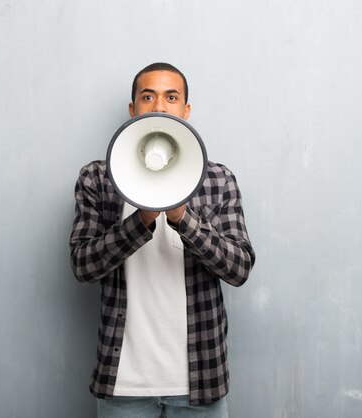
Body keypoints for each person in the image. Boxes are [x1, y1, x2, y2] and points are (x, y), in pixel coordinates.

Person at [69, 62, 255, 417]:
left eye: (171, 97)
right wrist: (141, 221)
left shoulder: (218, 179)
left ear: (185, 110)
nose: (159, 106)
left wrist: (182, 218)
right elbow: (82, 266)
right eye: (148, 96)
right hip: (122, 385)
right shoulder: (98, 178)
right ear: (132, 109)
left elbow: (239, 268)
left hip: (200, 383)